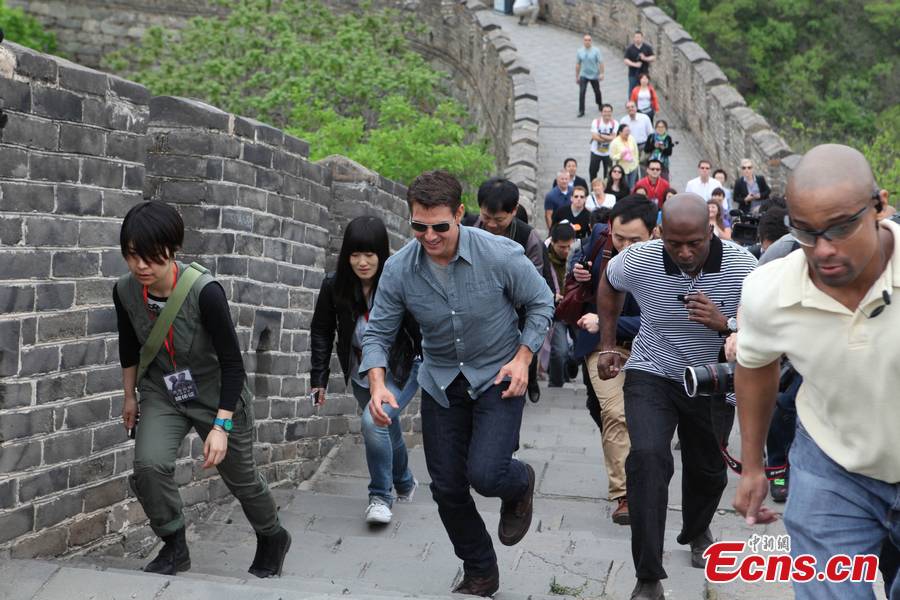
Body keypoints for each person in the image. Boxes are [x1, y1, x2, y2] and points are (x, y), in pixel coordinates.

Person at [360, 170, 555, 597]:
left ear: (460, 214)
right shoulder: (399, 269)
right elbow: (377, 333)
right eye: (419, 226)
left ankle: (519, 483)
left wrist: (524, 358)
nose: (429, 237)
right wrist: (377, 384)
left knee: (486, 473)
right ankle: (480, 569)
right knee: (447, 487)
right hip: (441, 380)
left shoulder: (499, 253)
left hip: (499, 374)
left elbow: (542, 301)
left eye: (440, 227)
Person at [733, 144, 899, 600]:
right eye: (805, 233)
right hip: (833, 467)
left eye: (841, 229)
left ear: (880, 206)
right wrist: (752, 467)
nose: (823, 249)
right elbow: (754, 364)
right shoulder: (770, 289)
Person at [114, 201, 291, 579]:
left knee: (241, 480)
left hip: (217, 395)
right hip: (164, 391)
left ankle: (272, 535)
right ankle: (174, 545)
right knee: (149, 465)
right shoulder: (126, 291)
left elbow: (233, 364)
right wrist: (130, 395)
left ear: (172, 249)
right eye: (132, 256)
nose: (141, 266)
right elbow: (128, 346)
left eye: (151, 257)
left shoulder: (205, 292)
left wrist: (221, 427)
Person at [595, 193, 757, 600]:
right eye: (674, 243)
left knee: (707, 471)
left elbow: (769, 330)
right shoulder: (640, 258)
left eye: (695, 243)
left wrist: (727, 323)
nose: (684, 253)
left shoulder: (744, 267)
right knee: (648, 459)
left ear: (711, 231)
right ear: (661, 234)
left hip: (714, 381)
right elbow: (609, 283)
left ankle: (697, 527)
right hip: (653, 371)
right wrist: (610, 343)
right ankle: (648, 576)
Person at [310, 216, 422, 525]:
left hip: (401, 367)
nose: (362, 262)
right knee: (387, 426)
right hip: (362, 372)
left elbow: (421, 327)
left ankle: (380, 497)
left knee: (374, 422)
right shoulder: (335, 286)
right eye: (355, 254)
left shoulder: (398, 280)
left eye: (369, 254)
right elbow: (321, 331)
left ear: (381, 254)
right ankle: (404, 481)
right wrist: (318, 378)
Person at [573, 197, 658, 526]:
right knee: (613, 412)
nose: (623, 246)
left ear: (654, 233)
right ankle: (625, 495)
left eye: (634, 240)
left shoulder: (669, 262)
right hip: (603, 346)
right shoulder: (599, 242)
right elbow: (576, 283)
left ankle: (638, 480)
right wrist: (580, 272)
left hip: (651, 349)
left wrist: (606, 320)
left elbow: (662, 321)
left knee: (637, 421)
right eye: (618, 237)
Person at [467, 177, 550, 404]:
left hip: (514, 320)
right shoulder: (466, 231)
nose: (491, 225)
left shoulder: (527, 237)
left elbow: (535, 285)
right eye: (486, 218)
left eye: (499, 220)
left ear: (514, 211)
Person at [545, 223, 577, 387]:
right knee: (559, 351)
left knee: (580, 350)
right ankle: (556, 384)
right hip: (557, 311)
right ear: (553, 243)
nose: (566, 251)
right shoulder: (543, 257)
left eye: (569, 247)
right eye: (562, 247)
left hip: (576, 310)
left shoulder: (578, 256)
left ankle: (569, 369)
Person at [576, 33, 604, 118]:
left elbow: (601, 63)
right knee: (582, 92)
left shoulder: (596, 51)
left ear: (591, 41)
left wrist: (602, 73)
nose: (587, 42)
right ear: (583, 41)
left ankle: (599, 104)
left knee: (597, 91)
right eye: (585, 40)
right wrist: (577, 76)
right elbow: (578, 64)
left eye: (589, 40)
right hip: (584, 75)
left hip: (594, 74)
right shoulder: (579, 51)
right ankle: (581, 110)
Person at [589, 104, 618, 183]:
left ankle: (606, 190)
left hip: (609, 153)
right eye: (605, 111)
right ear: (601, 113)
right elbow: (594, 137)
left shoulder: (615, 123)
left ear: (611, 112)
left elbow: (614, 137)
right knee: (593, 172)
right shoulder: (596, 122)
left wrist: (601, 135)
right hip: (595, 152)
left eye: (609, 111)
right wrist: (608, 139)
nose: (607, 113)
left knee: (608, 174)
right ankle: (593, 189)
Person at [610, 124, 640, 190]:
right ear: (620, 132)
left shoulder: (631, 138)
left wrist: (637, 163)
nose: (628, 133)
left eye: (628, 131)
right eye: (626, 131)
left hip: (633, 167)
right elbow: (612, 156)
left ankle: (631, 199)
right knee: (624, 187)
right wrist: (620, 155)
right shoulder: (615, 142)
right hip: (622, 169)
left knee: (632, 187)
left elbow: (636, 152)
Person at [624, 30, 655, 95]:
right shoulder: (630, 48)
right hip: (633, 74)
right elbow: (626, 60)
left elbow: (653, 57)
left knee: (645, 90)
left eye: (639, 37)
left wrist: (645, 58)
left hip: (644, 74)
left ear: (642, 38)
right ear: (634, 38)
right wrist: (635, 64)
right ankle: (631, 104)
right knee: (632, 90)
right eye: (636, 37)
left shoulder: (647, 47)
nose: (637, 39)